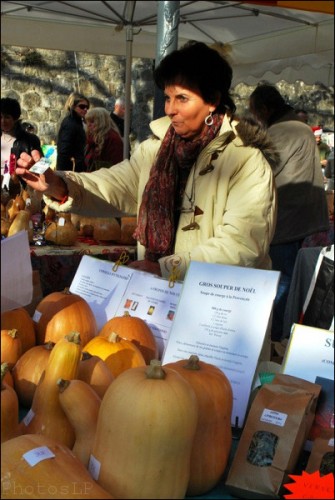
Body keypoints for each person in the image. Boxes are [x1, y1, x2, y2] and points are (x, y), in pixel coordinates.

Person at [17, 41, 278, 283]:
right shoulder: (156, 150)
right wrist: (60, 185)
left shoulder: (246, 160)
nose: (169, 109)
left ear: (212, 100)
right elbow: (114, 184)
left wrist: (167, 268)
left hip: (218, 308)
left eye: (182, 98)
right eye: (167, 97)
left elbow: (242, 246)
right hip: (159, 297)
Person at [249, 84, 329, 341]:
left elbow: (260, 170)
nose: (257, 118)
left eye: (256, 113)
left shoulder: (282, 131)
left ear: (264, 109)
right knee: (295, 284)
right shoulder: (300, 127)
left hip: (287, 221)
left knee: (283, 285)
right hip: (304, 219)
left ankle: (278, 339)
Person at [1, 97, 43, 193]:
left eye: (7, 117)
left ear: (15, 118)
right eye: (0, 117)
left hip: (20, 193)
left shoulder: (30, 140)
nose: (3, 121)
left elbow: (42, 167)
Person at [56, 92, 90, 172]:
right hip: (70, 169)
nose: (85, 109)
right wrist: (63, 173)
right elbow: (64, 150)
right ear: (73, 106)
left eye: (87, 107)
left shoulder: (77, 122)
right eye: (82, 106)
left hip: (76, 168)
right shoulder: (70, 123)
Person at [84, 107, 123, 171]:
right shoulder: (92, 137)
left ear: (102, 122)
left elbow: (115, 164)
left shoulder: (112, 139)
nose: (88, 125)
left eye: (92, 121)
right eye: (87, 122)